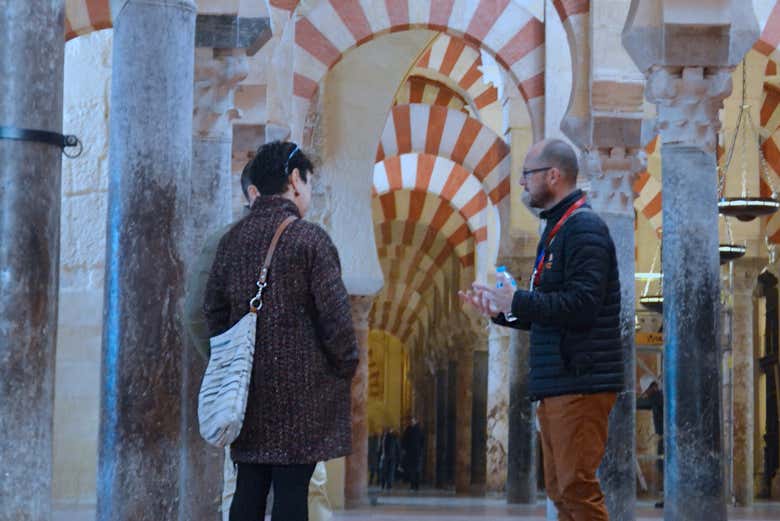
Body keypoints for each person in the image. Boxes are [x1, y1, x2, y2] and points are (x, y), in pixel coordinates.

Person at [460, 138, 623, 520]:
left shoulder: (584, 229)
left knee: (577, 489)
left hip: (580, 381)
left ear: (554, 175)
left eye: (527, 175)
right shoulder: (557, 230)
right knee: (561, 491)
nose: (522, 184)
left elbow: (582, 305)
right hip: (559, 382)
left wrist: (516, 301)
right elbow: (549, 311)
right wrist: (502, 311)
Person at [204, 141, 359, 521]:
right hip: (303, 400)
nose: (308, 193)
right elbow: (337, 324)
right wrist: (344, 367)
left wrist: (234, 365)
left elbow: (213, 311)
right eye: (309, 183)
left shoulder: (232, 241)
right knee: (292, 493)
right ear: (294, 180)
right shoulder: (310, 240)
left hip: (248, 394)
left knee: (249, 487)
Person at [636, 374, 663, 509]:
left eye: (646, 390)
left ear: (653, 387)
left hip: (666, 437)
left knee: (664, 467)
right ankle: (667, 497)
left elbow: (641, 404)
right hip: (664, 437)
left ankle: (668, 498)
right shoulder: (658, 397)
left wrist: (629, 399)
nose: (645, 393)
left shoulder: (657, 397)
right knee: (662, 466)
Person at [401, 417, 424, 491]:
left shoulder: (418, 430)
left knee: (417, 470)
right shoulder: (409, 429)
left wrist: (420, 450)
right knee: (412, 470)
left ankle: (416, 485)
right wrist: (404, 449)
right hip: (410, 453)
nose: (411, 422)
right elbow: (404, 440)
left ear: (416, 421)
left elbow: (422, 441)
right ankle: (412, 485)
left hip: (416, 453)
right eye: (411, 421)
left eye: (412, 421)